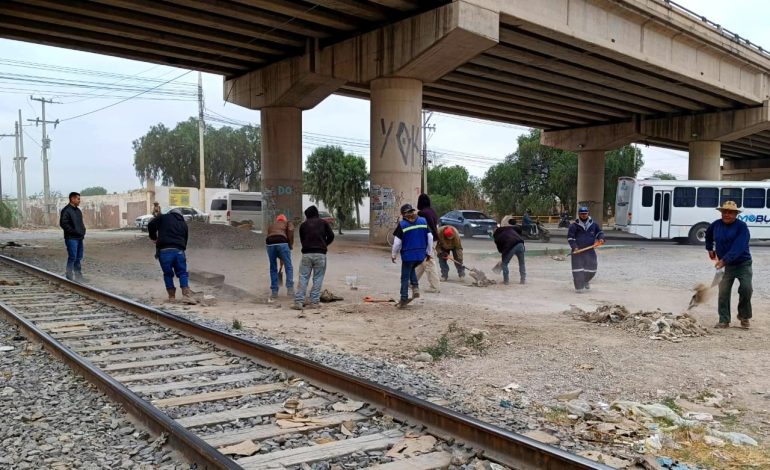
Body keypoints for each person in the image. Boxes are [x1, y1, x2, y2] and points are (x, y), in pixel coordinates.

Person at [705, 201, 752, 329]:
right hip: (726, 266)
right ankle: (724, 320)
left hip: (743, 264)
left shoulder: (742, 227)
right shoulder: (715, 225)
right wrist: (710, 248)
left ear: (736, 214)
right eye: (724, 212)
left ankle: (744, 316)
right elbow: (708, 235)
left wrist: (724, 260)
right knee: (723, 291)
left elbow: (739, 246)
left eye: (730, 212)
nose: (727, 214)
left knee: (746, 289)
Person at [292, 206, 335, 310]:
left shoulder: (303, 225)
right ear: (317, 213)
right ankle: (314, 302)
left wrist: (307, 246)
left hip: (306, 254)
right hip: (320, 254)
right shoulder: (324, 223)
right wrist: (324, 244)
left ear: (307, 215)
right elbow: (331, 236)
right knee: (318, 278)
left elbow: (302, 239)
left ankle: (299, 302)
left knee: (303, 277)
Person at [391, 204, 432, 308]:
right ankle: (416, 288)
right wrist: (428, 252)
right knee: (411, 268)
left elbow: (396, 243)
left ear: (403, 214)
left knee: (404, 277)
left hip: (408, 255)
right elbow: (430, 237)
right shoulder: (423, 221)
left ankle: (403, 298)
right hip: (420, 255)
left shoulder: (403, 224)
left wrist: (393, 254)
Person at [148, 207, 192, 301]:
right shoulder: (183, 223)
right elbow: (185, 239)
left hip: (164, 251)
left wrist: (154, 237)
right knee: (183, 273)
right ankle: (186, 294)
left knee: (168, 274)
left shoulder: (163, 217)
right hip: (179, 251)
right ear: (180, 215)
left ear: (170, 213)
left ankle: (171, 297)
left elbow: (151, 224)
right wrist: (182, 251)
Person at [567, 207, 605, 292]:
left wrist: (601, 239)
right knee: (578, 270)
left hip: (589, 251)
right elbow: (570, 238)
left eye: (585, 213)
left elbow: (599, 233)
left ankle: (585, 281)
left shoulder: (594, 224)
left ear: (588, 214)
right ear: (579, 214)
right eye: (582, 213)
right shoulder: (574, 225)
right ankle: (579, 287)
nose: (583, 215)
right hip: (577, 251)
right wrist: (574, 247)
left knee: (592, 269)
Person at [415, 194, 441, 292]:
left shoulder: (422, 213)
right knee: (423, 262)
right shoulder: (432, 211)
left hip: (427, 240)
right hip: (434, 239)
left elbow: (422, 229)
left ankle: (435, 287)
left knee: (429, 262)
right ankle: (412, 281)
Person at [265, 214, 295, 299]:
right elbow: (291, 231)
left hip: (270, 244)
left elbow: (272, 237)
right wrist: (290, 245)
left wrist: (281, 258)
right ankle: (290, 290)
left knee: (273, 267)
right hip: (282, 242)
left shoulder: (272, 225)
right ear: (284, 219)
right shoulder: (287, 223)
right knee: (288, 267)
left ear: (277, 220)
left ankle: (274, 292)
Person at [59, 191, 86, 281]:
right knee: (72, 257)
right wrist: (74, 232)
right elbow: (63, 224)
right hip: (71, 238)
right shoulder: (66, 210)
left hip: (79, 238)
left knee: (78, 257)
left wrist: (83, 231)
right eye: (78, 199)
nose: (79, 201)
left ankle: (79, 276)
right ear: (72, 199)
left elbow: (81, 223)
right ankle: (69, 276)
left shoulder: (78, 211)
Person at [493, 220, 526, 285]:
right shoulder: (508, 229)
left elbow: (501, 250)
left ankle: (506, 281)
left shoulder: (497, 237)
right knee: (522, 263)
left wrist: (503, 259)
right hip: (521, 244)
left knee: (504, 263)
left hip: (511, 246)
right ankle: (523, 280)